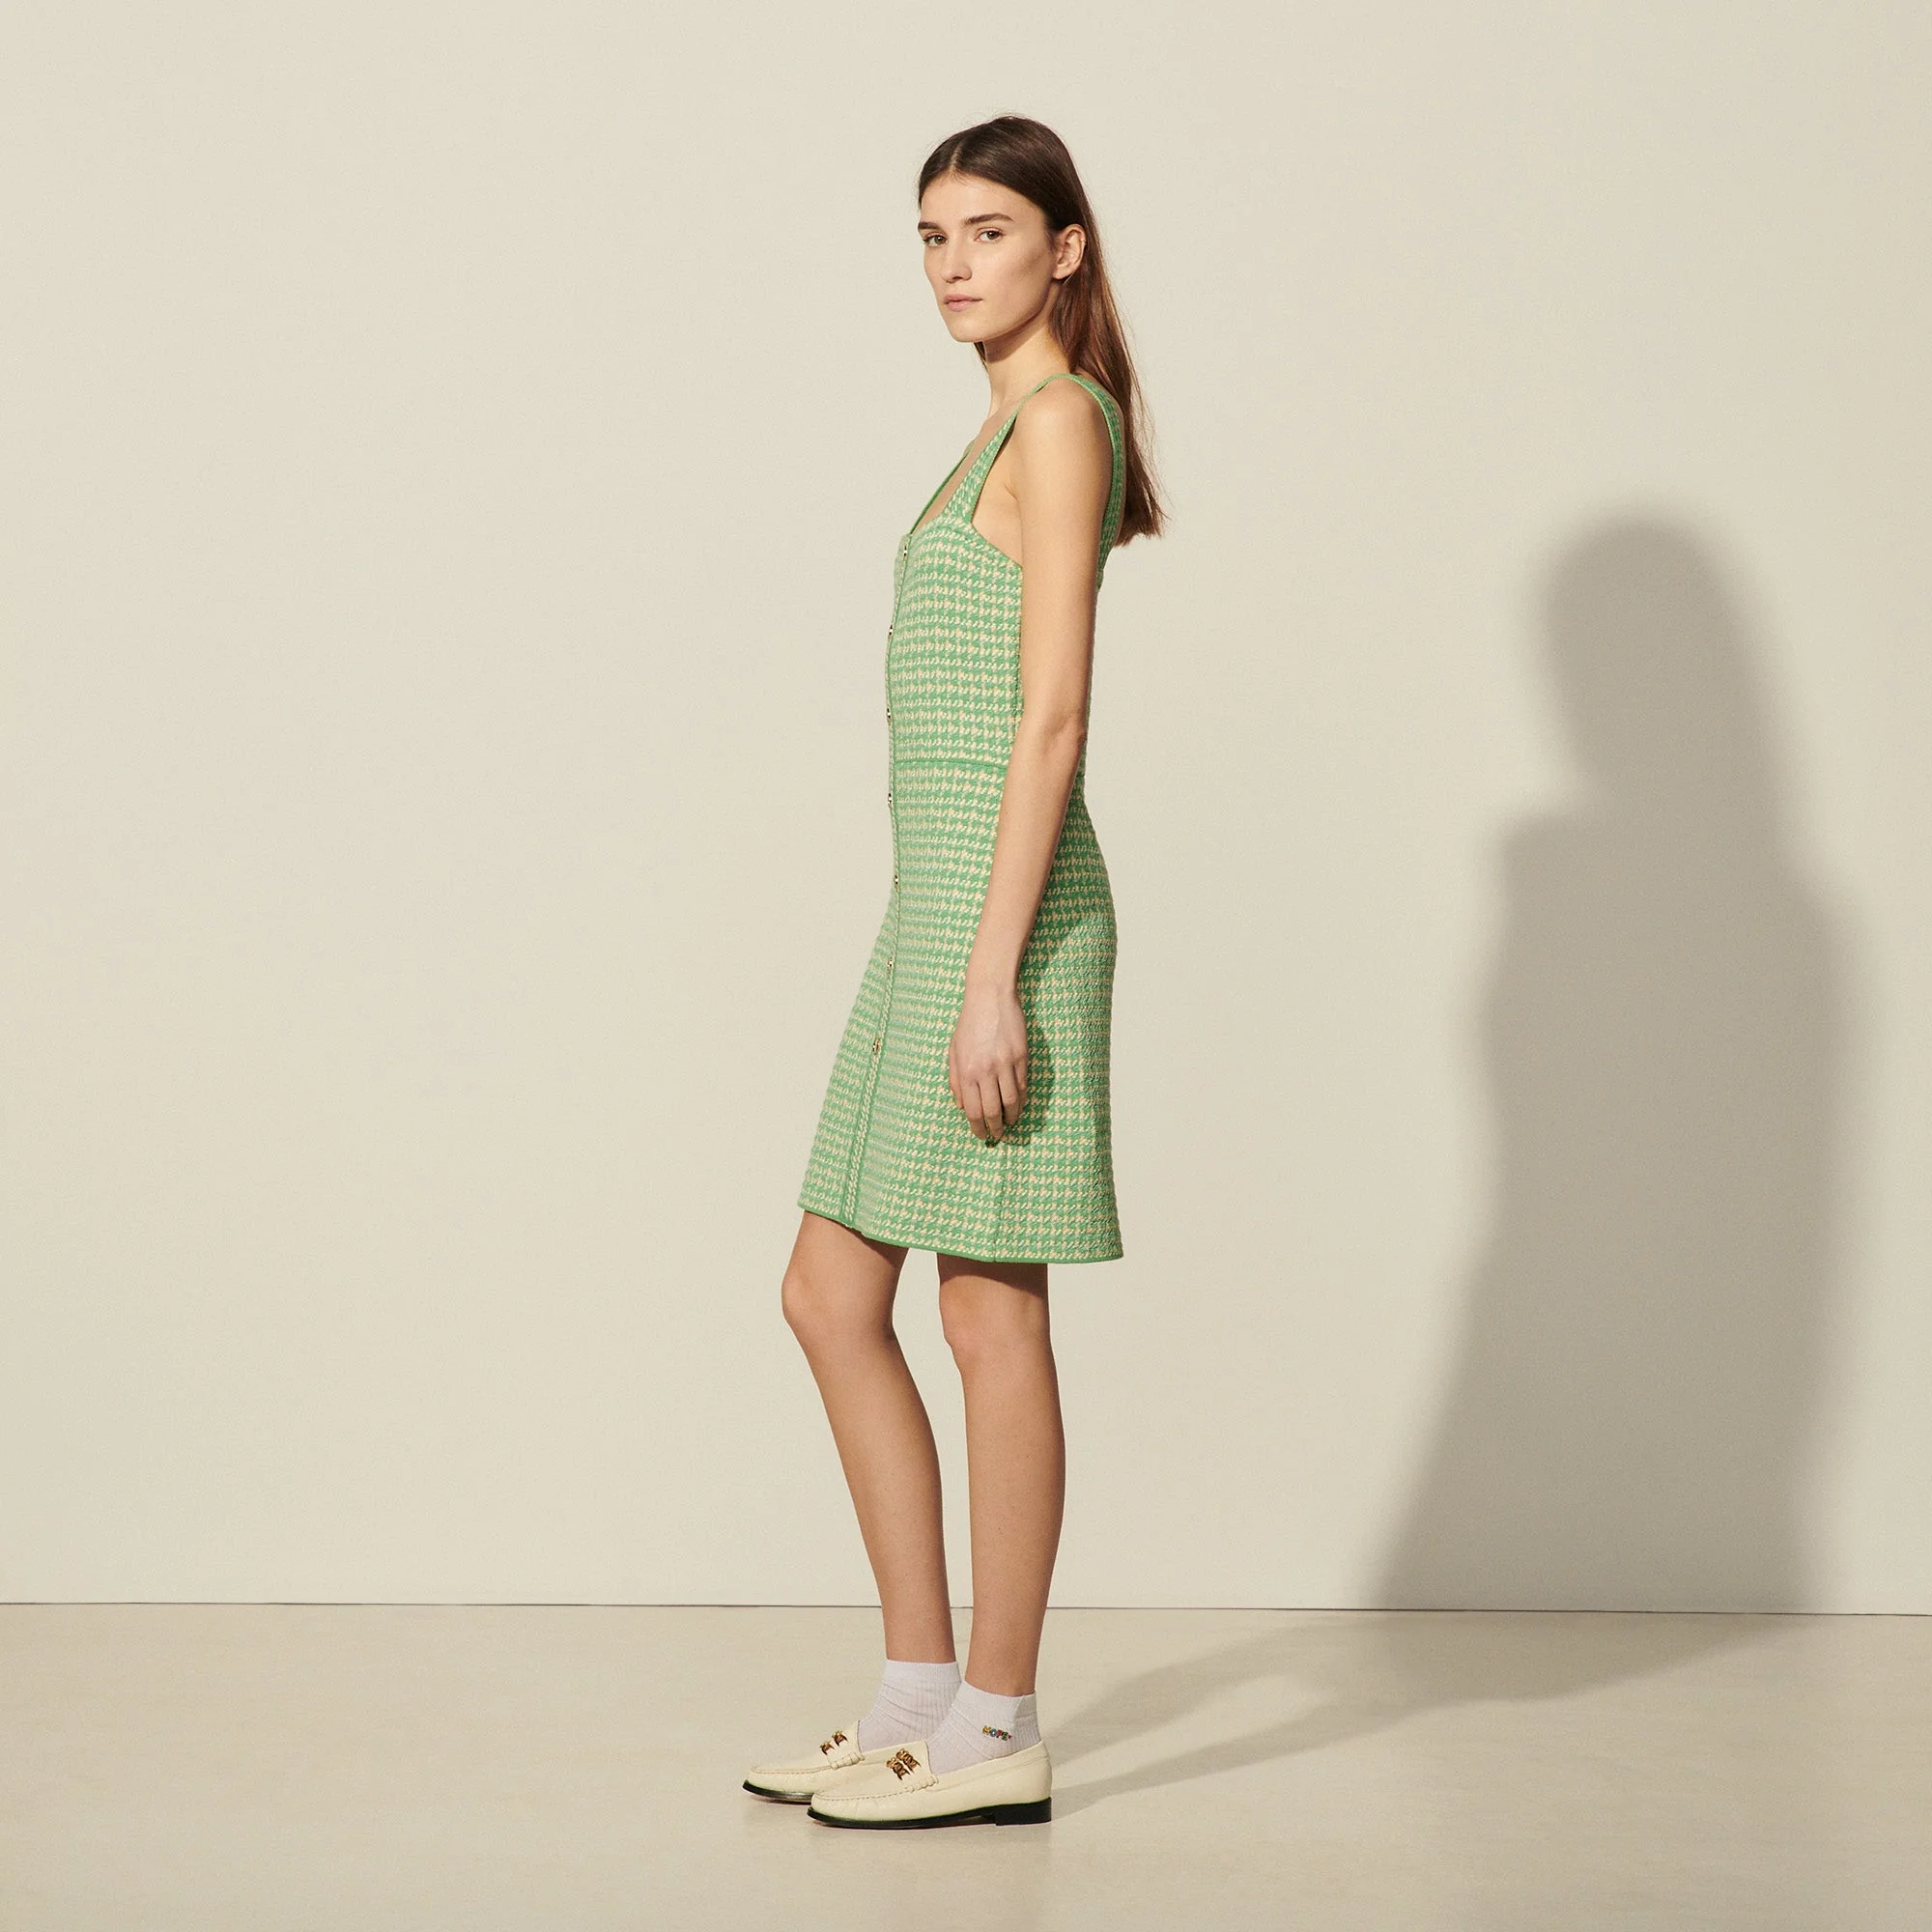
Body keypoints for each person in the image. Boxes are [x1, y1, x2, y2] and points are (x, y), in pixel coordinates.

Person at [744, 114, 1164, 1830]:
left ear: (1065, 248)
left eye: (988, 230)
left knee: (991, 1313)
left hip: (1009, 926)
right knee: (829, 1294)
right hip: (928, 920)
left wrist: (996, 978)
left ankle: (997, 1726)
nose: (952, 264)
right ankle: (919, 1695)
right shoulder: (989, 427)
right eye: (931, 235)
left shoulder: (1061, 422)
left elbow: (1053, 718)